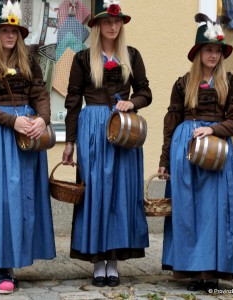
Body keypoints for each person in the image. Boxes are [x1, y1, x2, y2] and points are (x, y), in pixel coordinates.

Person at [0, 0, 56, 294]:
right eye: (4, 30)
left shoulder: (29, 61)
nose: (10, 35)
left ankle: (15, 259)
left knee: (22, 198)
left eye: (14, 30)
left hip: (27, 138)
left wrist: (42, 119)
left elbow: (40, 93)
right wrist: (11, 121)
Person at [62, 0, 152, 287]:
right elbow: (73, 100)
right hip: (93, 130)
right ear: (98, 25)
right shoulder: (82, 59)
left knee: (120, 194)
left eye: (117, 22)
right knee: (95, 192)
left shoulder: (132, 55)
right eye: (107, 21)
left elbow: (145, 92)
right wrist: (70, 142)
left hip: (124, 130)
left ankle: (113, 261)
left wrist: (131, 102)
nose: (113, 26)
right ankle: (97, 261)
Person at [158, 13, 233, 293]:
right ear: (198, 52)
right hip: (185, 151)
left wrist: (214, 129)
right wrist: (164, 161)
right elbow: (170, 122)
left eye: (217, 50)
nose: (213, 55)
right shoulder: (183, 83)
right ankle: (194, 270)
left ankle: (213, 271)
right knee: (189, 210)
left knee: (214, 211)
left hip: (217, 151)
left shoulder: (229, 82)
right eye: (208, 49)